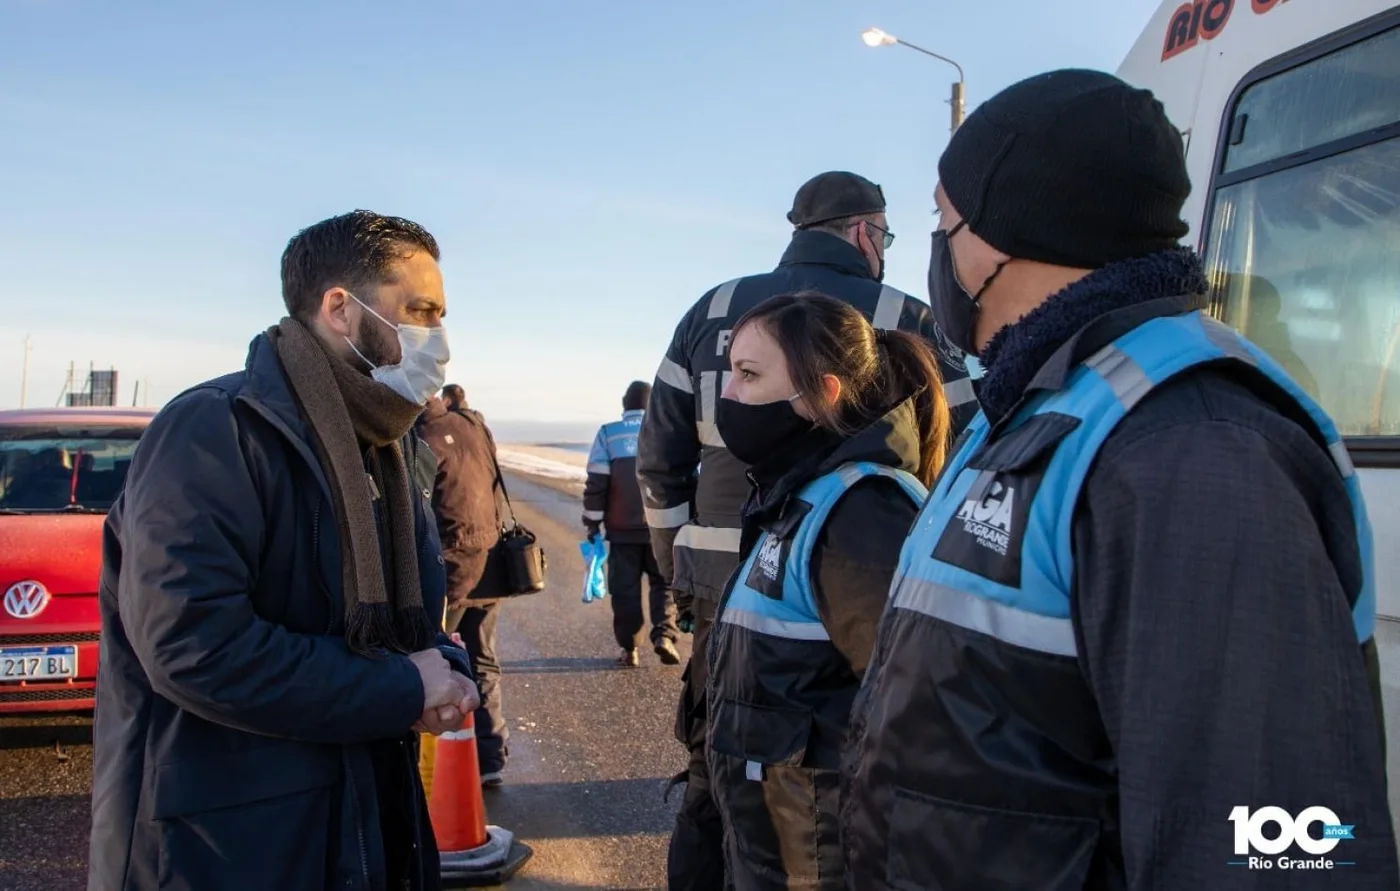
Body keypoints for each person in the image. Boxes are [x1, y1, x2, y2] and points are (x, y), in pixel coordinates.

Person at [843, 69, 1398, 889]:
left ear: (1003, 232)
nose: (938, 247)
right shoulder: (1043, 406)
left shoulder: (1191, 445)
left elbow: (1266, 850)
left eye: (943, 218)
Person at [88, 210, 481, 891]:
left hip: (362, 829)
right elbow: (192, 643)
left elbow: (401, 626)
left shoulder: (386, 450)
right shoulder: (215, 430)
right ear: (339, 307)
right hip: (225, 849)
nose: (439, 339)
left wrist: (442, 667)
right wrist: (402, 686)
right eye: (419, 310)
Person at [637, 170, 978, 891]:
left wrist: (680, 562)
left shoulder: (717, 306)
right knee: (740, 770)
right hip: (770, 566)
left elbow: (660, 451)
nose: (733, 395)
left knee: (734, 777)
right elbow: (971, 451)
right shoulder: (908, 311)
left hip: (742, 583)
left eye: (750, 377)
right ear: (865, 232)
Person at [706, 293, 950, 890]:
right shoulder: (797, 496)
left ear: (823, 395)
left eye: (749, 375)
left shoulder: (863, 513)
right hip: (778, 846)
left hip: (823, 857)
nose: (728, 398)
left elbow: (919, 716)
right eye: (730, 373)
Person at [415, 385, 512, 787]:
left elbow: (419, 510)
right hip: (489, 560)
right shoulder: (473, 425)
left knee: (437, 660)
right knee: (484, 659)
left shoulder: (418, 439)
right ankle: (490, 755)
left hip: (451, 566)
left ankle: (437, 772)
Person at [584, 380, 681, 667]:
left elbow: (596, 483)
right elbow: (685, 478)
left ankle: (630, 649)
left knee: (624, 590)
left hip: (621, 531)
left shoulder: (608, 434)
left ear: (624, 405)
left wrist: (593, 523)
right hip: (661, 530)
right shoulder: (668, 433)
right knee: (664, 585)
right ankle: (664, 635)